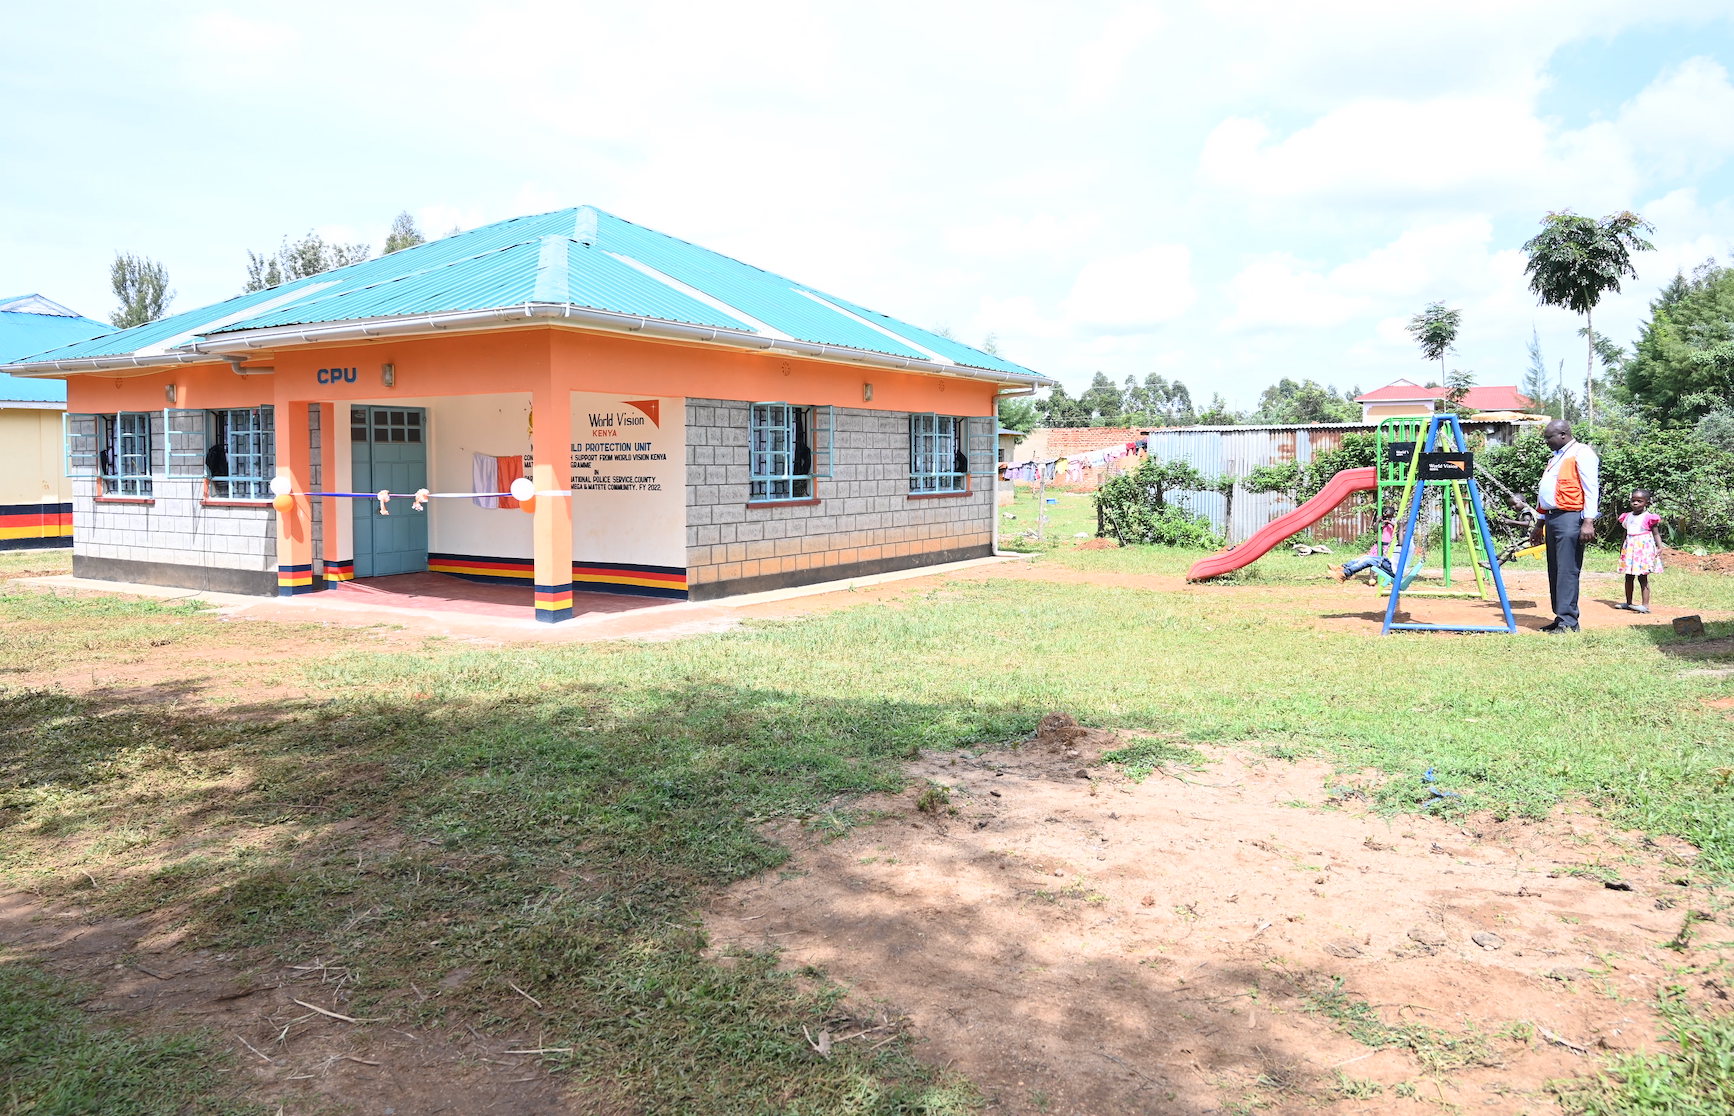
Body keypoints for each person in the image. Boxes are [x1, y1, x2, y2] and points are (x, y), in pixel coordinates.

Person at [1529, 419, 1599, 632]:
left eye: (1548, 438)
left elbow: (1591, 488)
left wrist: (1588, 521)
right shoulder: (1557, 457)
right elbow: (1547, 493)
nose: (1546, 442)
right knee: (1556, 569)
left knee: (1567, 570)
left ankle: (1569, 621)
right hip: (1552, 517)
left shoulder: (1582, 453)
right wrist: (1539, 523)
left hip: (1570, 518)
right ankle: (1560, 618)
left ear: (1562, 435)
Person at [1614, 489, 1663, 614]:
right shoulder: (1627, 517)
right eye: (1633, 501)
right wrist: (1622, 548)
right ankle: (1628, 602)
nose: (1635, 503)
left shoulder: (1649, 517)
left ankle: (1645, 605)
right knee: (1628, 576)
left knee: (1642, 577)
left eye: (1639, 501)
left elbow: (1656, 534)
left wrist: (1659, 547)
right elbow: (1625, 533)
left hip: (1643, 549)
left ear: (1646, 502)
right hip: (1630, 548)